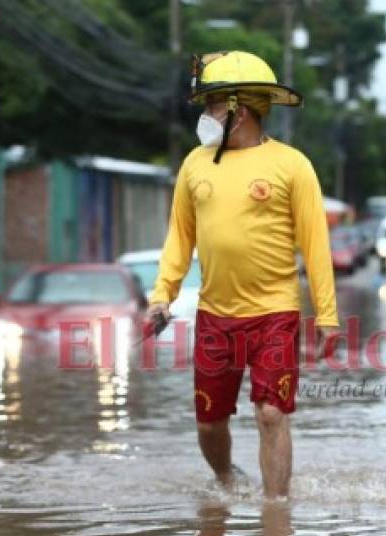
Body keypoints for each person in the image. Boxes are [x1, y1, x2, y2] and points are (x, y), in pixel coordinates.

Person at [147, 51, 340, 499]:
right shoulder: (195, 164)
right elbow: (179, 238)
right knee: (209, 422)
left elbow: (316, 245)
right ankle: (226, 480)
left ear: (242, 109)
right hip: (216, 315)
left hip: (276, 313)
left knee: (272, 414)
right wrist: (163, 295)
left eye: (214, 105)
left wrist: (327, 315)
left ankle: (276, 514)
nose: (207, 115)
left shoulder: (292, 165)